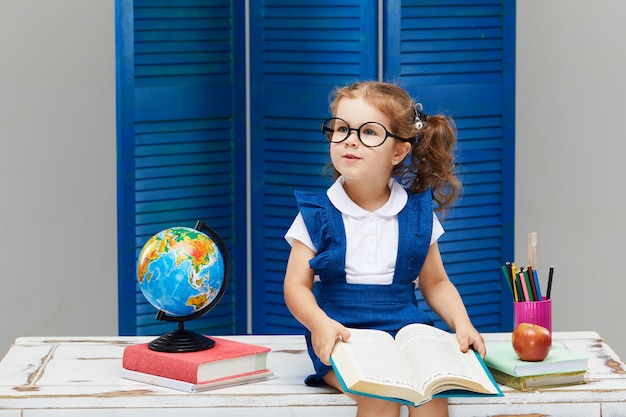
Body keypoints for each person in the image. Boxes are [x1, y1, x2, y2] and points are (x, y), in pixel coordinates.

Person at [283, 81, 485, 417]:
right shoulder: (317, 213)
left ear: (398, 151)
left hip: (405, 331)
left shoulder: (416, 214)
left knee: (432, 396)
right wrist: (318, 323)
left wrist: (461, 324)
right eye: (342, 128)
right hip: (341, 334)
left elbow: (435, 283)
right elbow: (295, 286)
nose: (350, 139)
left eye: (369, 132)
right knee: (380, 396)